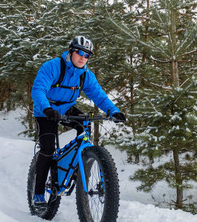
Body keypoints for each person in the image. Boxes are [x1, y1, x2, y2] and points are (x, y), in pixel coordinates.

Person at [31, 35, 126, 206]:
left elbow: (99, 95)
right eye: (80, 53)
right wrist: (47, 109)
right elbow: (38, 90)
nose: (83, 58)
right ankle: (38, 193)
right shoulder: (52, 67)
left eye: (87, 55)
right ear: (71, 51)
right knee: (48, 148)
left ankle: (79, 163)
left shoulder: (85, 75)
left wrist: (114, 111)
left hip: (67, 108)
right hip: (46, 110)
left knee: (85, 125)